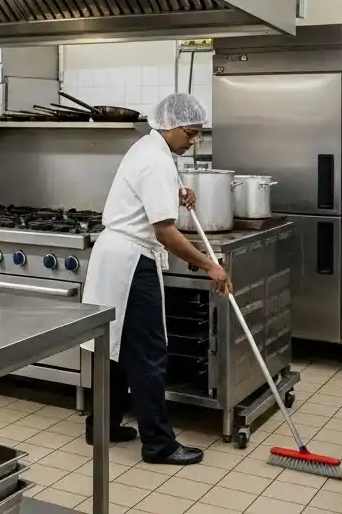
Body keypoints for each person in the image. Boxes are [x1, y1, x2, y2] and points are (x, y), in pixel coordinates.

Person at [82, 93, 232, 466]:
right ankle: (159, 445)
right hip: (132, 261)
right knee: (148, 354)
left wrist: (177, 193)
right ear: (171, 125)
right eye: (192, 133)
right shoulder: (156, 161)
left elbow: (147, 196)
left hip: (113, 256)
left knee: (113, 347)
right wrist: (208, 264)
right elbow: (165, 232)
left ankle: (101, 425)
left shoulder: (149, 149)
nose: (194, 141)